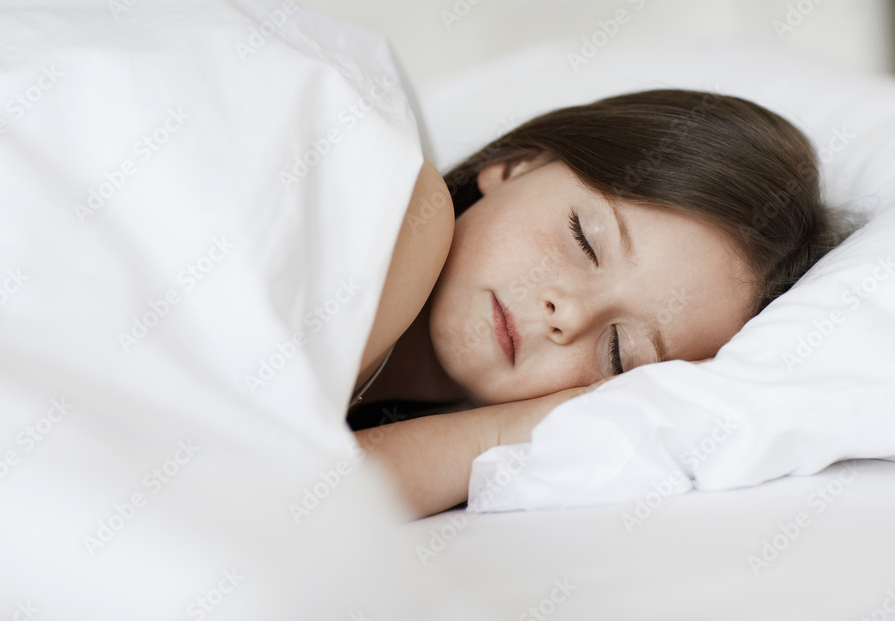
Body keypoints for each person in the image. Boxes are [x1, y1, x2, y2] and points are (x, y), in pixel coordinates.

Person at [345, 89, 851, 518]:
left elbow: (301, 496)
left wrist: (500, 432)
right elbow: (284, 482)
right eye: (584, 240)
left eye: (618, 351)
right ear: (517, 165)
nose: (569, 313)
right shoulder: (408, 206)